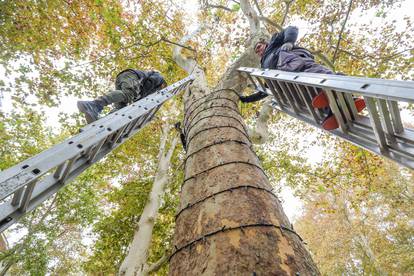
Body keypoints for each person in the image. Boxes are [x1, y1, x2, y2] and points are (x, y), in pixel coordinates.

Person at [242, 26, 365, 130]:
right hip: (288, 81)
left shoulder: (274, 43)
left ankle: (345, 94)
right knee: (314, 95)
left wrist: (289, 42)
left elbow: (291, 28)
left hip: (294, 62)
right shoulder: (265, 68)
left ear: (265, 43)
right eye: (256, 51)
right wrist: (247, 99)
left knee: (317, 76)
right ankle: (333, 110)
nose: (258, 51)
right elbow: (266, 89)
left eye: (259, 46)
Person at [77, 69, 167, 124]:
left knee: (120, 109)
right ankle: (93, 105)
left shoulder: (153, 86)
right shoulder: (160, 78)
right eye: (161, 89)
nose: (159, 91)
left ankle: (104, 123)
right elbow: (149, 83)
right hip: (132, 76)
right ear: (163, 85)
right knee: (128, 94)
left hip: (124, 78)